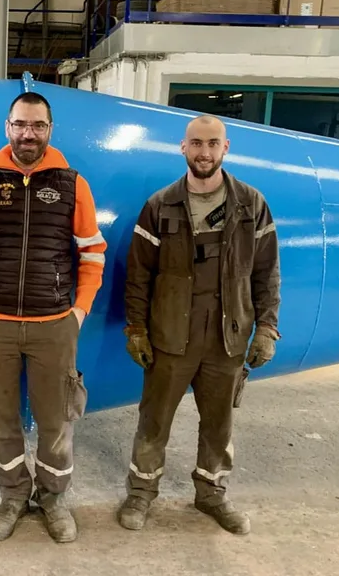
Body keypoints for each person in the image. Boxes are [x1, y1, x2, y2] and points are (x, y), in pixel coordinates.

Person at [0, 92, 107, 544]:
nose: (28, 133)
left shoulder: (72, 184)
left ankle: (53, 499)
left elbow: (93, 253)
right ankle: (13, 496)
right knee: (2, 421)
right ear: (8, 127)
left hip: (53, 327)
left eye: (37, 125)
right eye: (20, 124)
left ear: (50, 130)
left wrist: (77, 314)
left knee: (56, 423)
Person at [119, 114, 281, 535]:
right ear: (183, 147)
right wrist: (136, 329)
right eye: (196, 143)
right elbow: (138, 275)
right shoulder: (160, 205)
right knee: (154, 421)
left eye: (212, 144)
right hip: (171, 335)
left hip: (228, 337)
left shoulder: (251, 205)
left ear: (225, 148)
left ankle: (212, 495)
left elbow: (267, 272)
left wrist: (267, 328)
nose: (204, 152)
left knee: (219, 424)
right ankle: (141, 493)